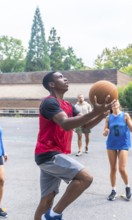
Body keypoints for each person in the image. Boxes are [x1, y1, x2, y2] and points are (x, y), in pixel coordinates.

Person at [34, 71, 116, 220]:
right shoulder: (49, 102)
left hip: (54, 155)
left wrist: (102, 114)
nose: (65, 78)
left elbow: (84, 127)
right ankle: (54, 215)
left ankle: (49, 214)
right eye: (60, 77)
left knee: (47, 199)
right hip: (49, 154)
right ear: (51, 84)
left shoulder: (69, 106)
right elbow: (65, 124)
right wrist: (95, 112)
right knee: (86, 178)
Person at [103, 100, 132, 201]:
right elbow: (104, 133)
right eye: (112, 103)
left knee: (121, 169)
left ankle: (127, 187)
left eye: (116, 102)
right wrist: (105, 131)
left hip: (123, 144)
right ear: (111, 106)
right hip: (111, 144)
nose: (114, 104)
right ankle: (113, 190)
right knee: (113, 168)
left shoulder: (125, 115)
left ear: (119, 104)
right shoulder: (108, 118)